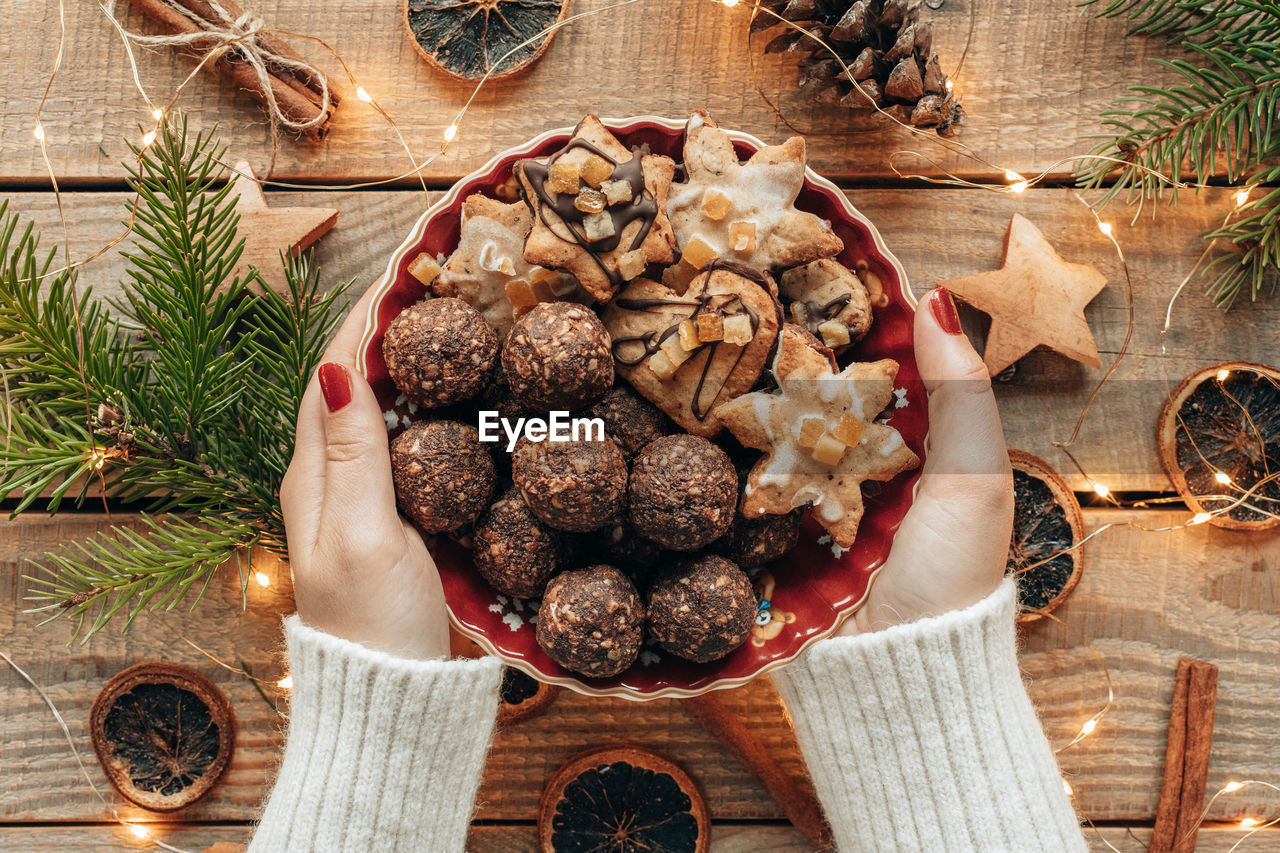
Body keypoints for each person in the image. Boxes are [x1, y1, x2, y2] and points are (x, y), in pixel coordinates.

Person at [248, 287, 1087, 852]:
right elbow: (534, 447)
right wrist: (924, 701)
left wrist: (372, 723)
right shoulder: (532, 440)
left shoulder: (705, 484)